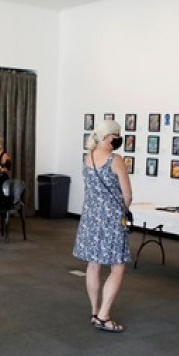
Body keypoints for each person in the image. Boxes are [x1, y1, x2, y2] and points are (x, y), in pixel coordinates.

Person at [73, 120, 132, 333]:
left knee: (93, 264)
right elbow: (127, 195)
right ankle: (104, 316)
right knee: (117, 265)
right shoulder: (116, 160)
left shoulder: (87, 157)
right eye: (117, 136)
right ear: (109, 137)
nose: (118, 139)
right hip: (111, 219)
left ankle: (94, 311)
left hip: (90, 217)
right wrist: (123, 210)